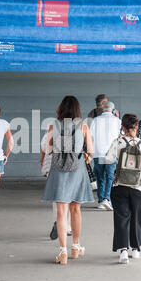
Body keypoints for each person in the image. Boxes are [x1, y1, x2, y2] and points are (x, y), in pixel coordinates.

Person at [42, 95, 95, 265]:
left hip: (58, 170)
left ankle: (62, 251)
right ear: (77, 109)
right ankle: (76, 247)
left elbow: (48, 150)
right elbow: (92, 152)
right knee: (76, 209)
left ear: (61, 108)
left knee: (61, 212)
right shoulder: (84, 126)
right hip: (77, 170)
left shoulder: (53, 126)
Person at [105, 114, 141, 264]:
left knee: (121, 217)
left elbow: (108, 159)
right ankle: (136, 249)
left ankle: (123, 251)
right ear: (137, 126)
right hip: (138, 188)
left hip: (119, 185)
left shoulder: (118, 142)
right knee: (137, 218)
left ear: (123, 127)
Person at [40, 132, 72, 240]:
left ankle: (58, 223)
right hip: (69, 169)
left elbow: (44, 150)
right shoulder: (73, 133)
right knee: (68, 198)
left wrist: (42, 164)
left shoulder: (49, 133)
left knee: (56, 200)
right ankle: (66, 226)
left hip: (52, 168)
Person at [90, 101, 121, 210]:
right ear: (113, 110)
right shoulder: (117, 121)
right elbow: (120, 136)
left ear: (103, 109)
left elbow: (91, 137)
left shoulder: (95, 120)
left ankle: (100, 200)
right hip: (111, 154)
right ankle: (107, 199)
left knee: (100, 177)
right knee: (110, 176)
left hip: (99, 153)